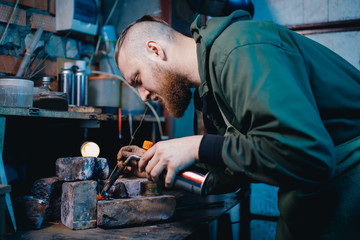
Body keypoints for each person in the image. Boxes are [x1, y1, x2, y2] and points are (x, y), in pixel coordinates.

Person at [115, 10, 360, 240]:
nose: (143, 96)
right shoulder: (212, 81)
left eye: (137, 79)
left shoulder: (239, 49)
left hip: (347, 181)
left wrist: (196, 146)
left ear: (155, 50)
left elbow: (308, 154)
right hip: (313, 193)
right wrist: (159, 167)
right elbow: (235, 167)